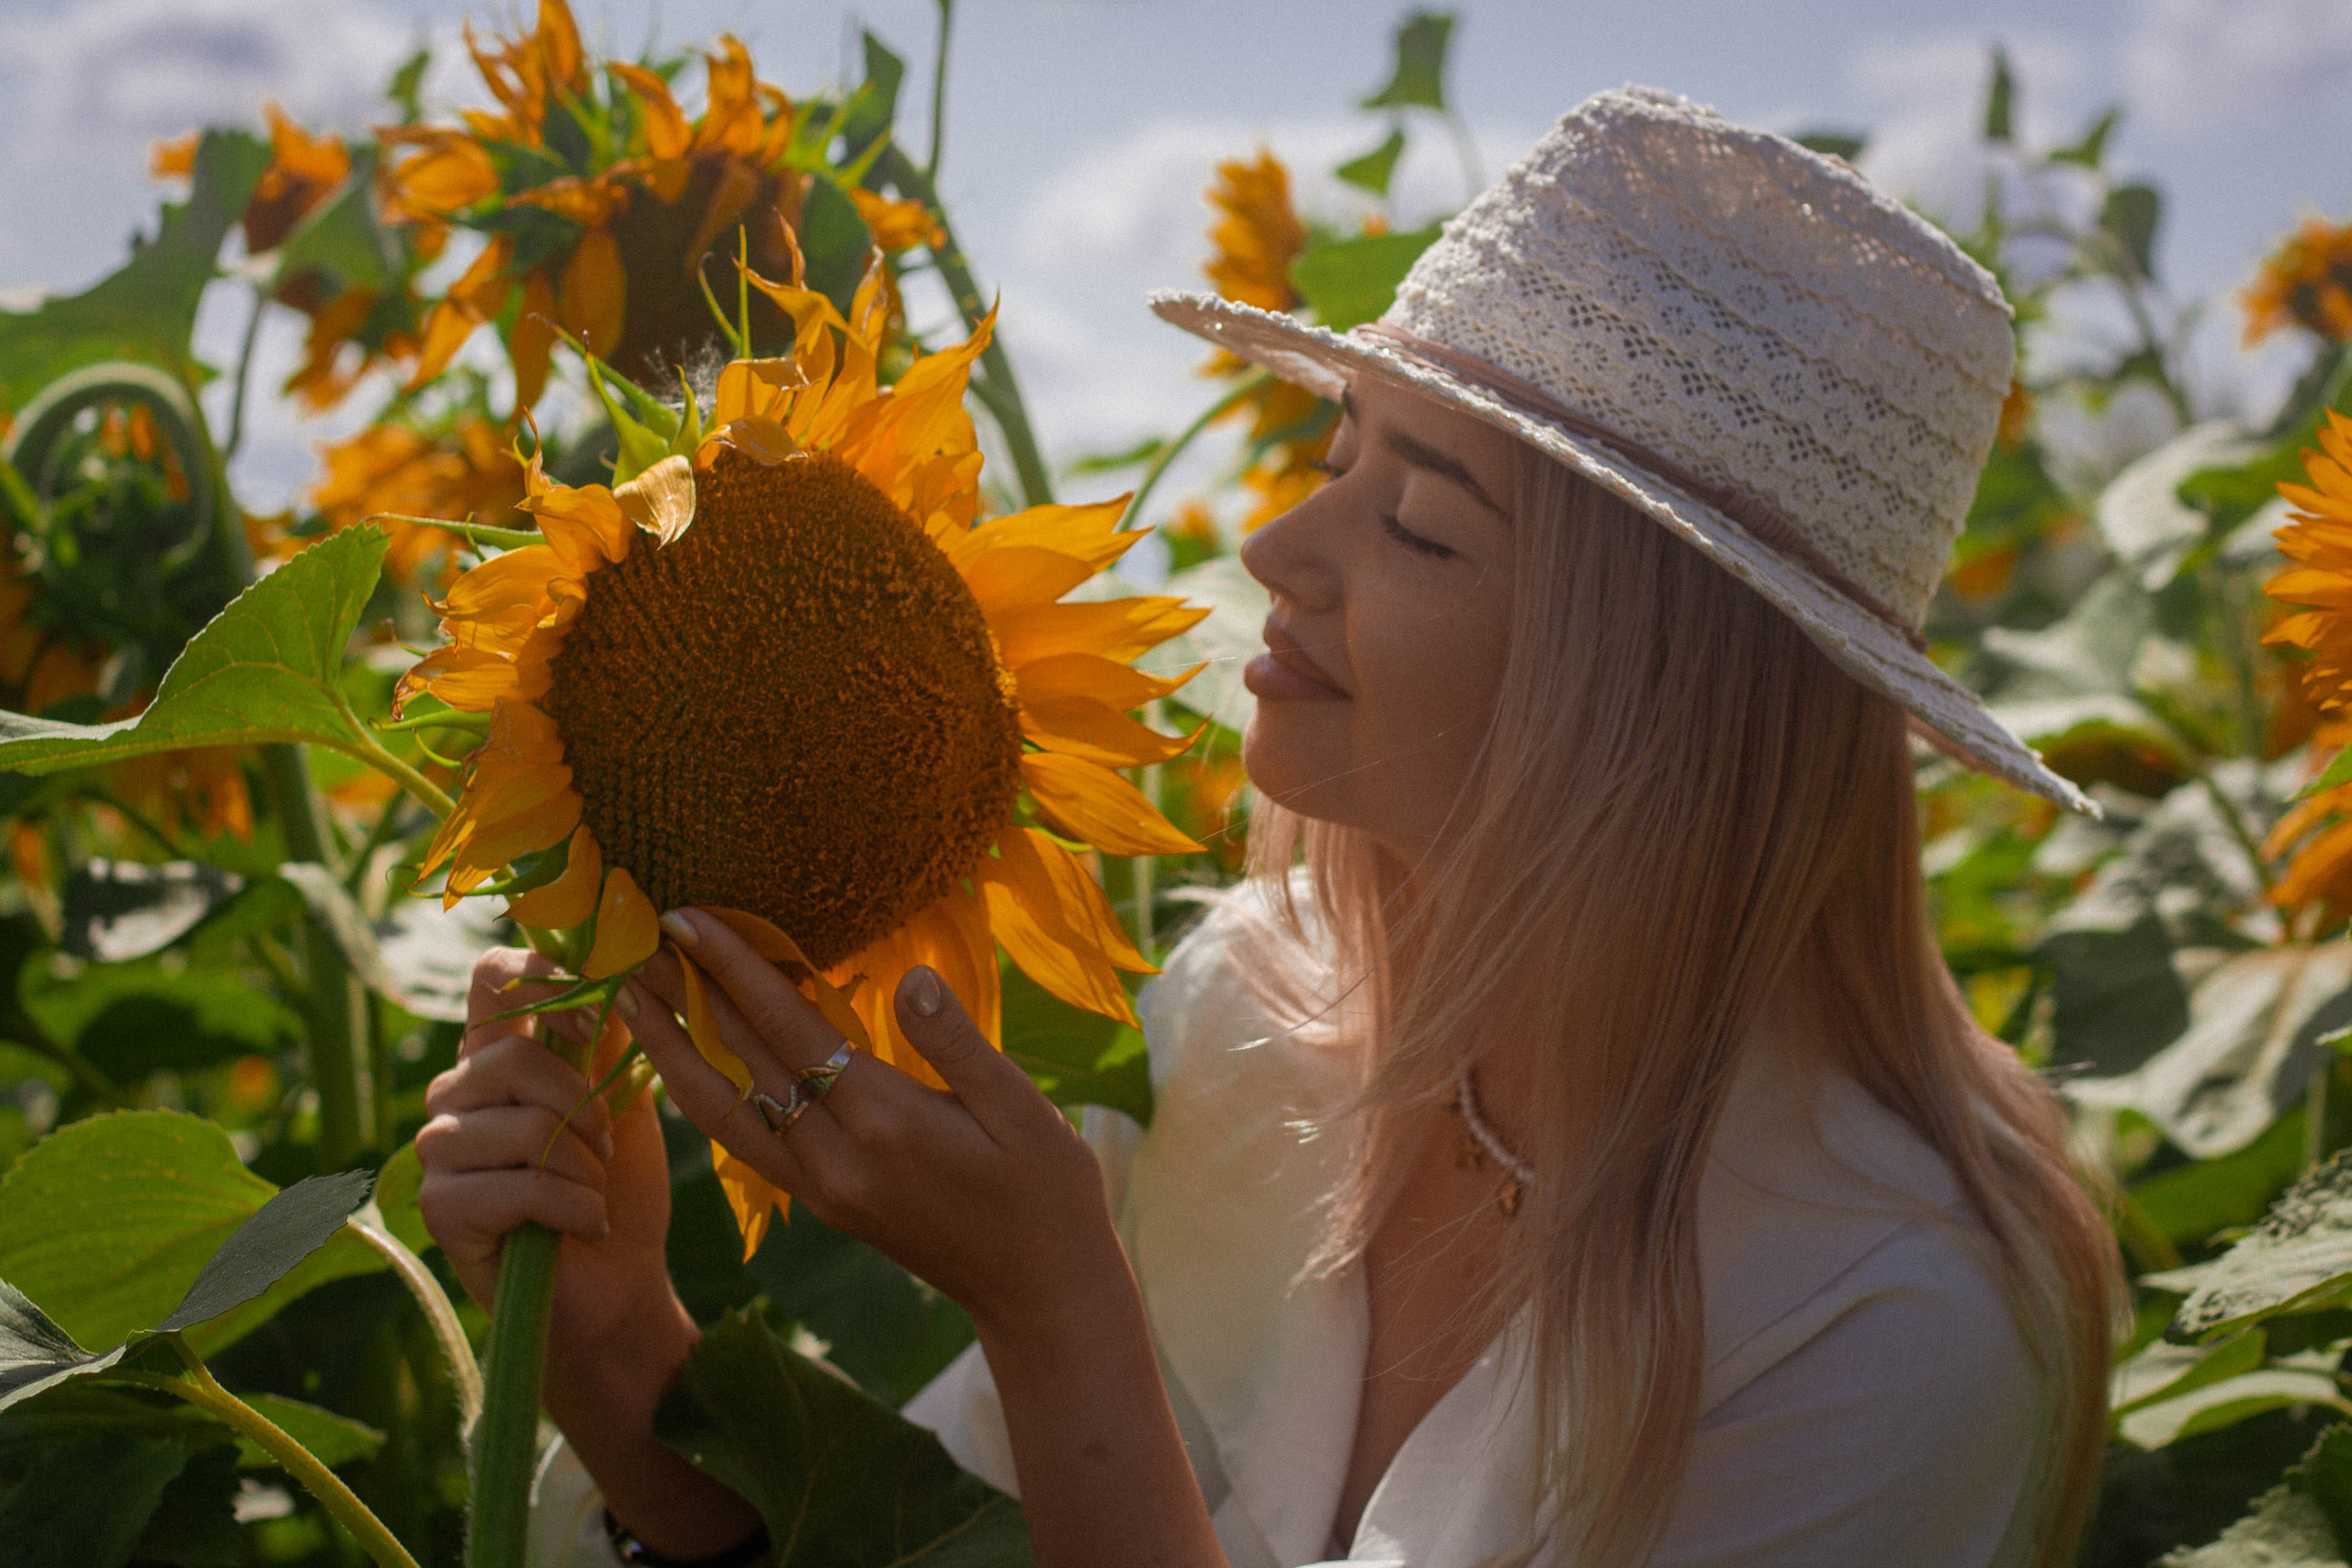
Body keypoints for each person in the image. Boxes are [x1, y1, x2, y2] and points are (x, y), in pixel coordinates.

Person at [419, 87, 2127, 1568]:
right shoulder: (1254, 1016)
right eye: (1334, 453)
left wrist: (1055, 1307)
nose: (1281, 554)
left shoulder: (1890, 1333)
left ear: (1650, 700)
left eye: (1424, 527)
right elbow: (934, 1537)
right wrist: (622, 1343)